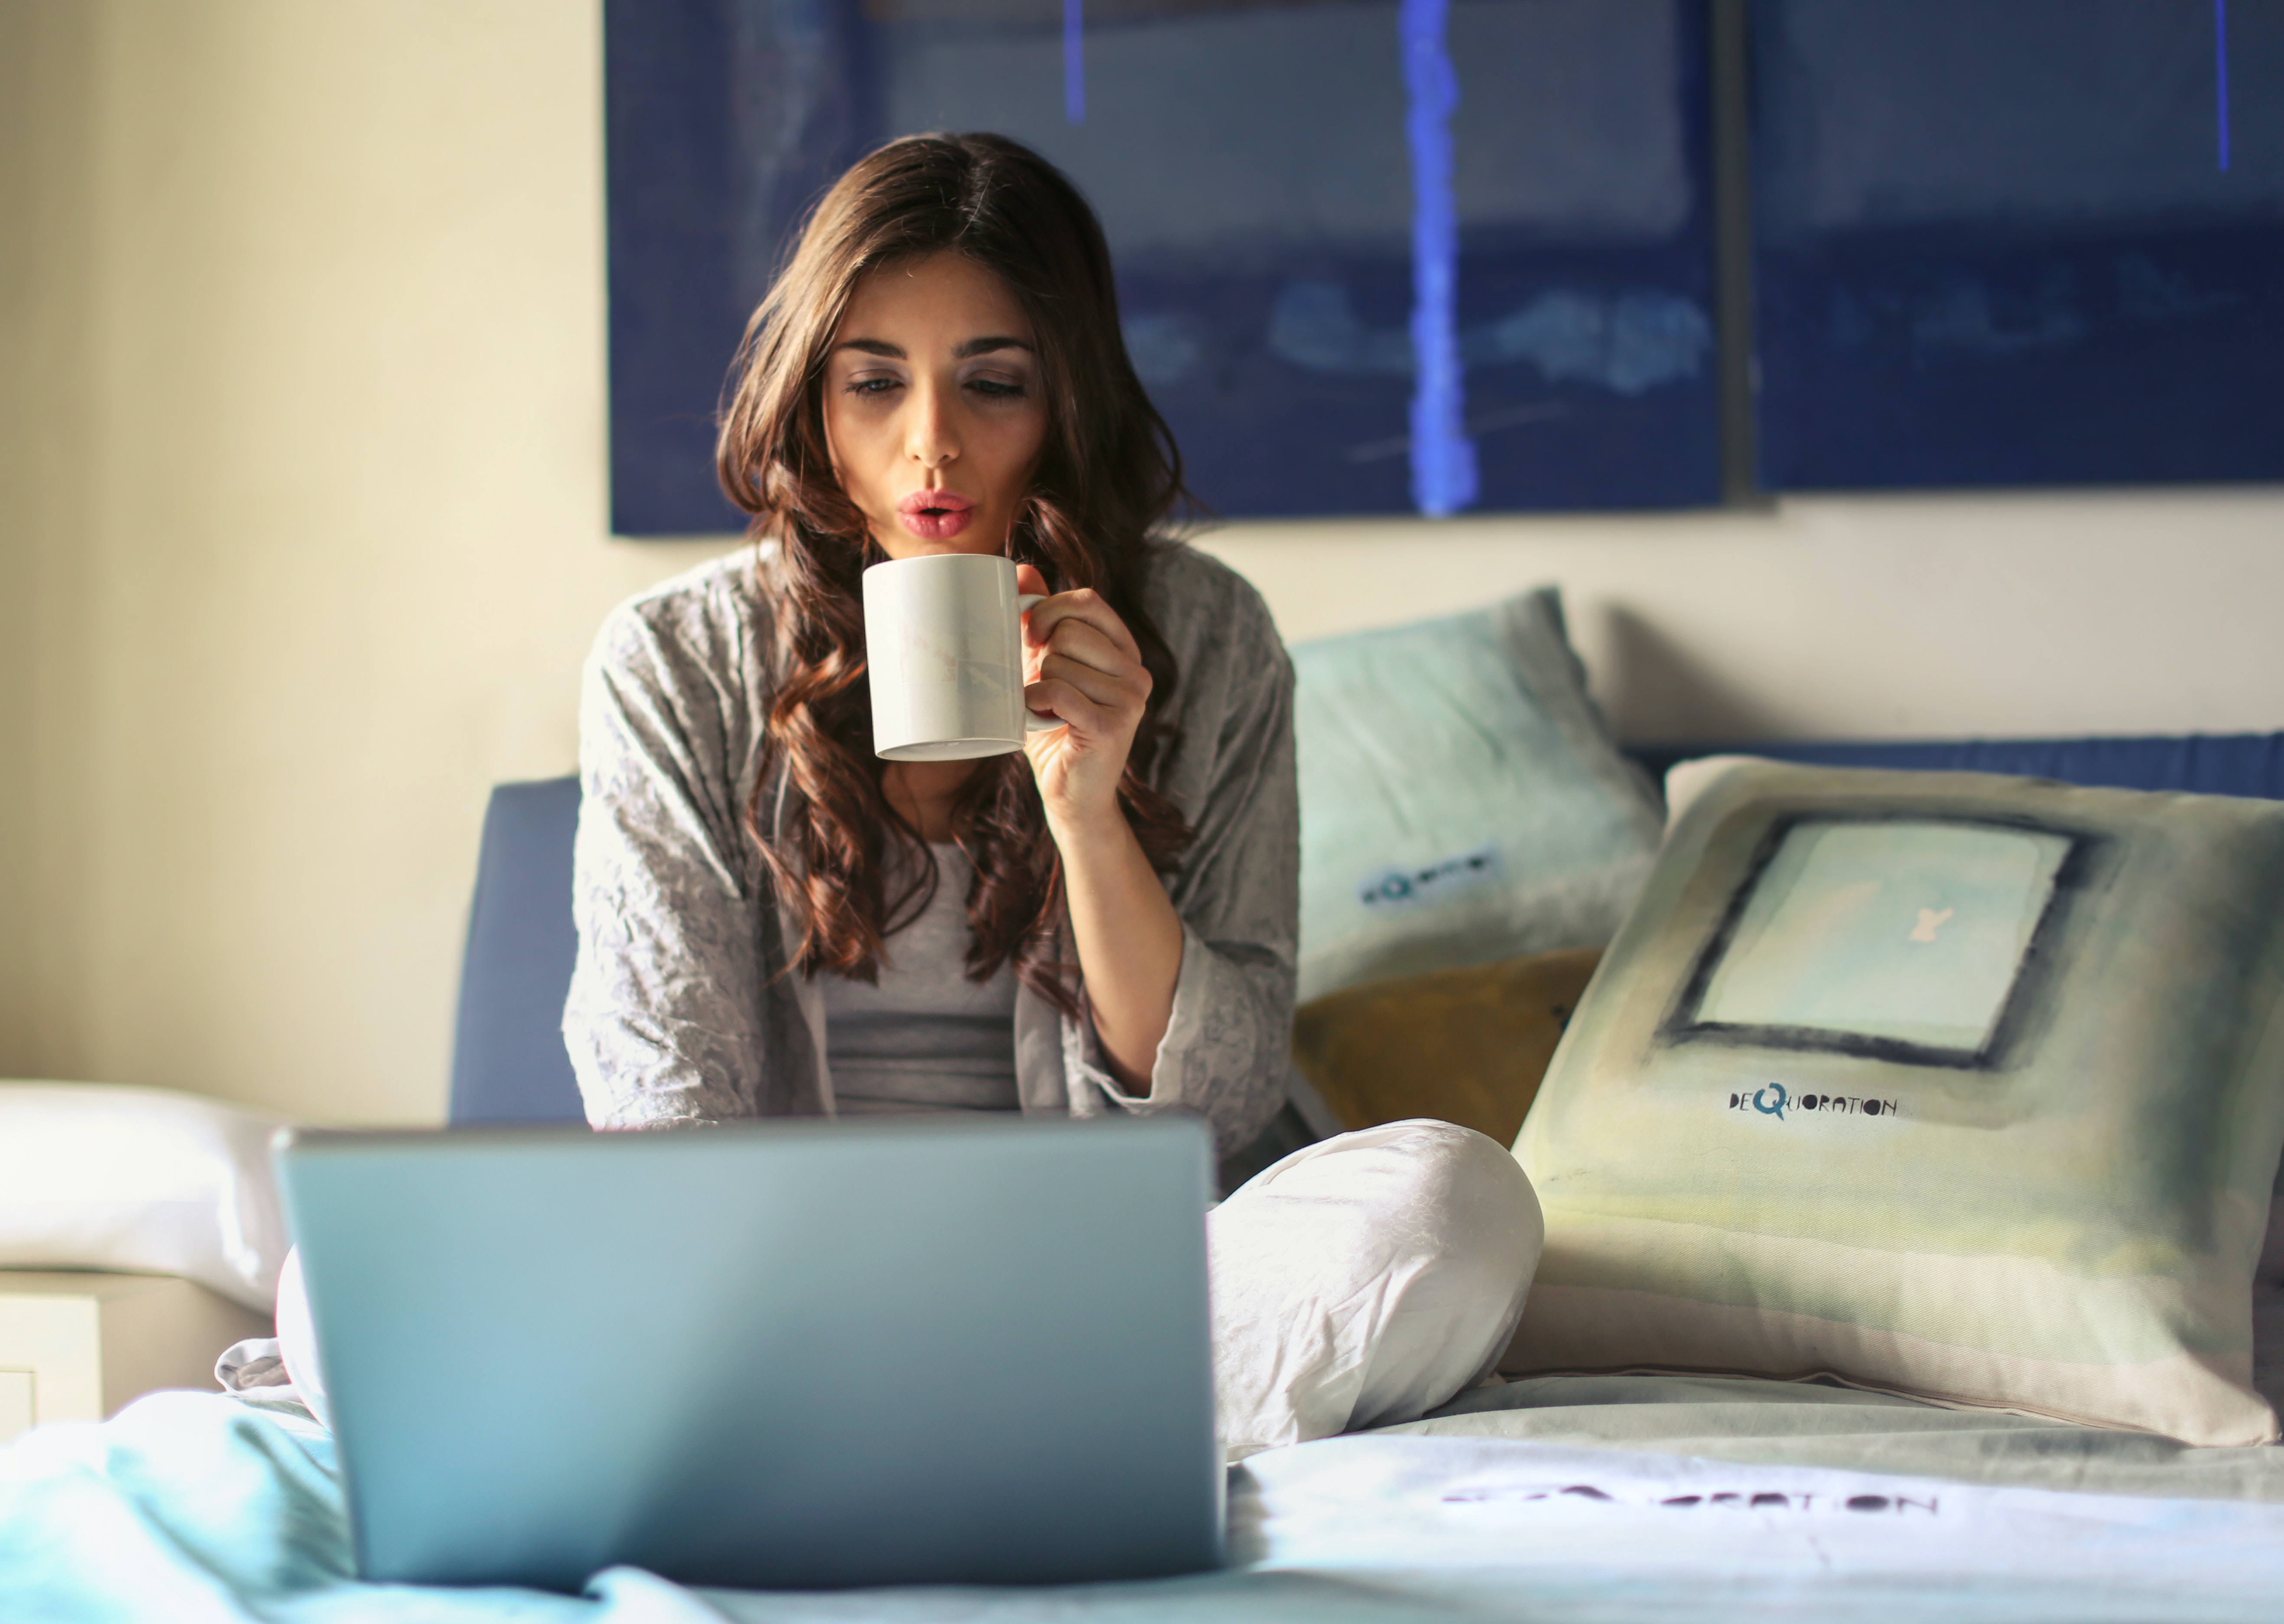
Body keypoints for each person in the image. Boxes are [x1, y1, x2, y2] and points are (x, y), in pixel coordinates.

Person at [284, 133, 1541, 1461]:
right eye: (873, 383)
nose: (930, 444)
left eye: (991, 384)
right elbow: (661, 1093)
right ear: (811, 403)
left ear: (1069, 402)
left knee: (1454, 1205)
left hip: (1109, 1286)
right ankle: (996, 1426)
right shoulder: (675, 662)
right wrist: (756, 1291)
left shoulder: (1208, 641)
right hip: (770, 1285)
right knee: (338, 1287)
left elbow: (1216, 1105)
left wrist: (1088, 808)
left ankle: (844, 1431)